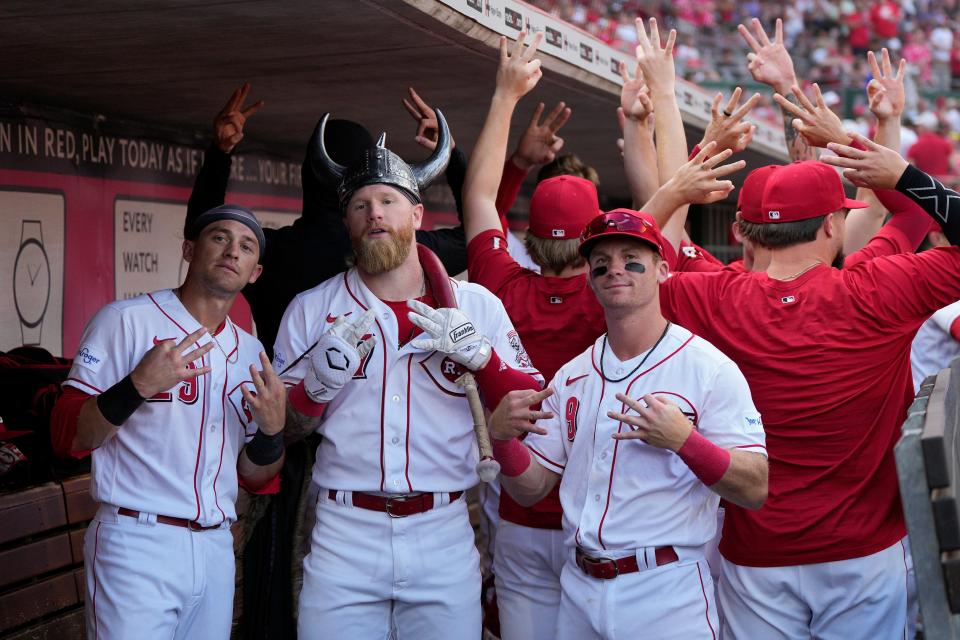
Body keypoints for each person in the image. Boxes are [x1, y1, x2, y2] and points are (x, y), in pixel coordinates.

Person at [647, 146, 960, 637]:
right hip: (864, 550)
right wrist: (892, 171)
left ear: (746, 232)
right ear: (833, 226)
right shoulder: (875, 288)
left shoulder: (712, 295)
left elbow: (620, 274)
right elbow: (913, 216)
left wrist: (670, 195)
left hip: (756, 553)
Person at [273, 94, 541, 639]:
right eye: (361, 205)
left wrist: (484, 360)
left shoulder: (476, 305)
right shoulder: (311, 308)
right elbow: (281, 430)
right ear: (346, 222)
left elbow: (533, 404)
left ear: (417, 215)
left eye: (389, 201)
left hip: (442, 527)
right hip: (345, 530)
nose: (375, 213)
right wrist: (315, 389)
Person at [487, 205, 768, 640]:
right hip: (579, 587)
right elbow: (531, 489)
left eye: (631, 258)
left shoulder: (708, 367)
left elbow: (754, 487)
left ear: (661, 270)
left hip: (666, 589)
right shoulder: (573, 375)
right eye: (601, 263)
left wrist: (684, 441)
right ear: (589, 277)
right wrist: (502, 439)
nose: (615, 269)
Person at [49, 204, 286, 639]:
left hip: (215, 546)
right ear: (188, 249)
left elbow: (255, 477)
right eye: (219, 237)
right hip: (136, 541)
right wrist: (137, 386)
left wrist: (272, 433)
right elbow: (68, 435)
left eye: (246, 245)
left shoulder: (253, 354)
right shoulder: (125, 321)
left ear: (255, 272)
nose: (233, 250)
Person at [462, 31, 604, 640]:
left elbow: (477, 195)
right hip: (591, 518)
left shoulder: (499, 280)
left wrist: (505, 95)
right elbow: (665, 217)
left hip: (517, 512)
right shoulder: (615, 297)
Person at [185, 83, 471, 358]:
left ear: (309, 173)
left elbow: (203, 235)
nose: (373, 213)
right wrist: (451, 156)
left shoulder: (275, 251)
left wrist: (220, 153)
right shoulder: (404, 248)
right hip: (339, 401)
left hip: (286, 402)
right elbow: (475, 239)